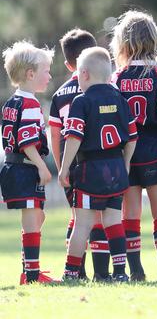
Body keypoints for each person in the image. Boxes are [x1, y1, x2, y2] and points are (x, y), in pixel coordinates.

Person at [111, 10, 157, 281]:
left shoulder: (116, 78)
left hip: (125, 154)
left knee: (129, 213)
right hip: (156, 150)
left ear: (122, 42)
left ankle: (136, 271)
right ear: (154, 39)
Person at [58, 47, 137, 282]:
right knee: (113, 221)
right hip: (116, 168)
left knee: (83, 223)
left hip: (89, 169)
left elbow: (73, 137)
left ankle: (71, 272)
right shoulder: (120, 100)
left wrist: (64, 169)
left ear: (83, 74)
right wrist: (126, 163)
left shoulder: (82, 102)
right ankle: (121, 273)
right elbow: (132, 137)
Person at [50, 28, 111, 281]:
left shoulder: (59, 95)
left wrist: (60, 167)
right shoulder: (108, 86)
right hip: (101, 161)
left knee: (77, 217)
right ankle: (101, 272)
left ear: (68, 63)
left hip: (71, 163)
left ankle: (76, 271)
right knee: (98, 217)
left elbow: (56, 135)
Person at [1, 41, 56, 284]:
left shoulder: (11, 102)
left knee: (35, 218)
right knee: (33, 221)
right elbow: (27, 141)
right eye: (46, 71)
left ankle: (29, 270)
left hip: (11, 167)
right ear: (30, 74)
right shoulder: (31, 104)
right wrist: (42, 166)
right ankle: (32, 275)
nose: (49, 76)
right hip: (26, 167)